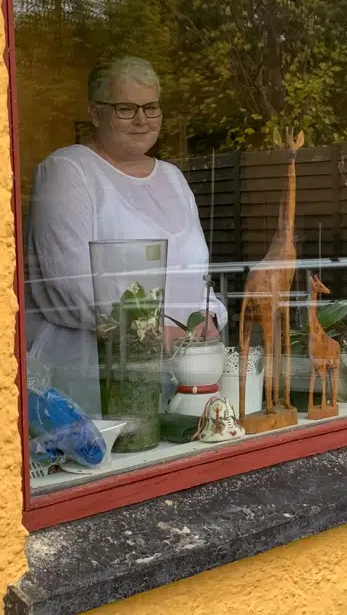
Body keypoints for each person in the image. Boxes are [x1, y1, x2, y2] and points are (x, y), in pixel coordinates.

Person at [23, 56, 225, 414]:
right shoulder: (69, 171)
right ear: (96, 113)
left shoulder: (173, 178)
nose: (142, 119)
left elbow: (196, 273)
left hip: (184, 373)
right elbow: (69, 284)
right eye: (126, 108)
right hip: (96, 372)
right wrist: (152, 334)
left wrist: (210, 317)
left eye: (151, 107)